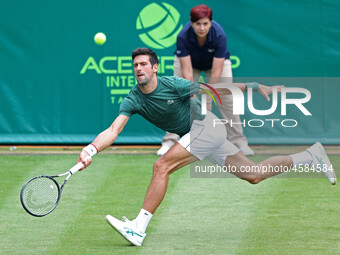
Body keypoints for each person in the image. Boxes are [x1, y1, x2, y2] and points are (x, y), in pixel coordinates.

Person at [77, 48, 336, 247]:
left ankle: (138, 228)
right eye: (135, 65)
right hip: (197, 135)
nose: (138, 68)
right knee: (254, 175)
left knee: (161, 166)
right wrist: (91, 149)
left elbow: (215, 89)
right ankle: (311, 155)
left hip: (206, 128)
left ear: (155, 68)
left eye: (144, 64)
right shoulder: (133, 98)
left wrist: (254, 87)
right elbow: (113, 130)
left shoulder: (173, 85)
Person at [157, 4, 254, 156]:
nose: (202, 28)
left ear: (210, 22)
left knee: (228, 98)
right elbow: (187, 72)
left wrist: (209, 99)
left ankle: (239, 142)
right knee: (178, 97)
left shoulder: (219, 35)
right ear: (191, 22)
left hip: (214, 66)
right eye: (198, 24)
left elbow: (216, 71)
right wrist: (193, 99)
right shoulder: (183, 36)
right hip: (190, 65)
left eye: (205, 23)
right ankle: (170, 141)